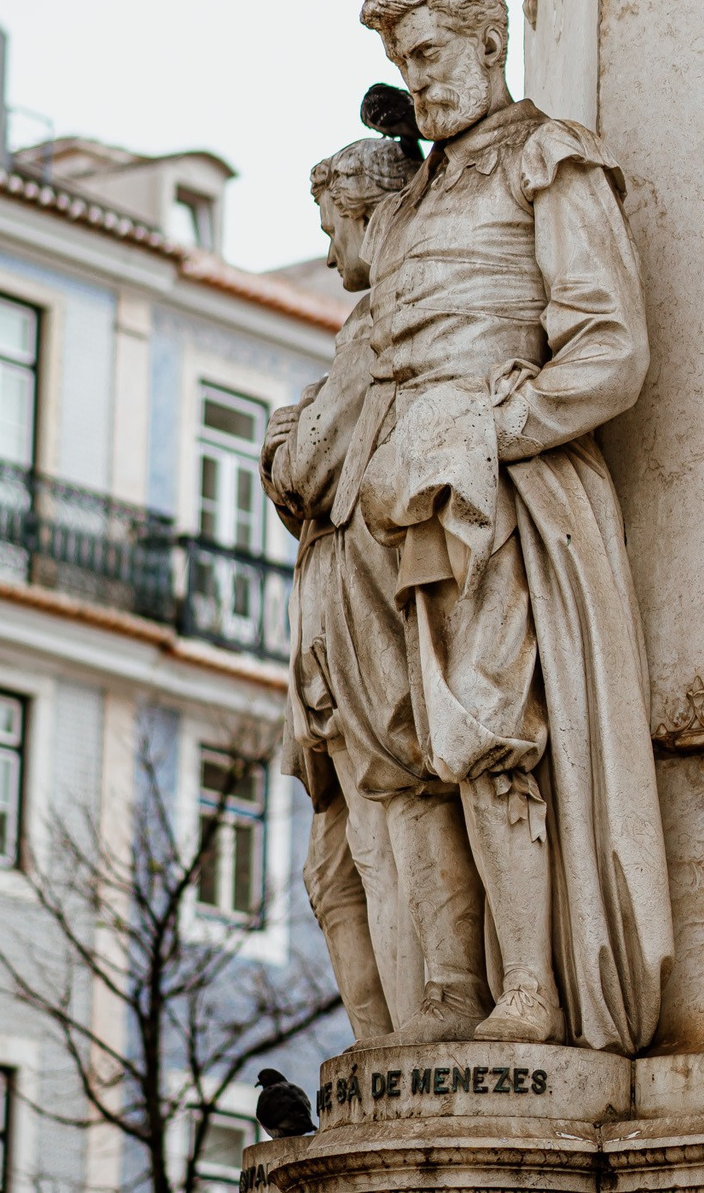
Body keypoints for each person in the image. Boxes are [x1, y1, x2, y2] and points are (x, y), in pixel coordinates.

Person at [324, 0, 671, 1049]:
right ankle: (447, 992)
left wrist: (487, 431)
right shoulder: (416, 192)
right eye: (401, 60)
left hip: (495, 494)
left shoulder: (547, 159)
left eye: (429, 51)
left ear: (487, 39)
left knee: (487, 732)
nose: (418, 78)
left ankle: (530, 984)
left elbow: (609, 346)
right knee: (414, 748)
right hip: (395, 502)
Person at [265, 127, 426, 1045]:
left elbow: (308, 464)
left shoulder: (385, 322)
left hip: (365, 606)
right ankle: (380, 1046)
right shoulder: (361, 325)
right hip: (330, 616)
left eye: (335, 225)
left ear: (376, 212)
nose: (328, 248)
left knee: (381, 835)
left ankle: (408, 1039)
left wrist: (281, 445)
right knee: (336, 870)